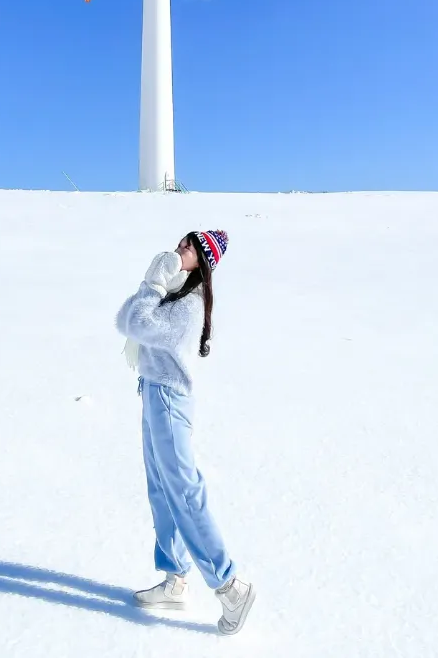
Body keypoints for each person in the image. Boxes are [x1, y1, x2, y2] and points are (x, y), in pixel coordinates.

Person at [114, 230, 256, 637]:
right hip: (152, 393)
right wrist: (155, 284)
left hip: (169, 401)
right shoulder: (173, 292)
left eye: (189, 247)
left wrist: (153, 283)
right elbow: (124, 320)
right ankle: (175, 578)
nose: (179, 249)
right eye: (180, 243)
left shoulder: (189, 307)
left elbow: (138, 322)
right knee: (161, 489)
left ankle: (230, 587)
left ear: (202, 262)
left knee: (185, 493)